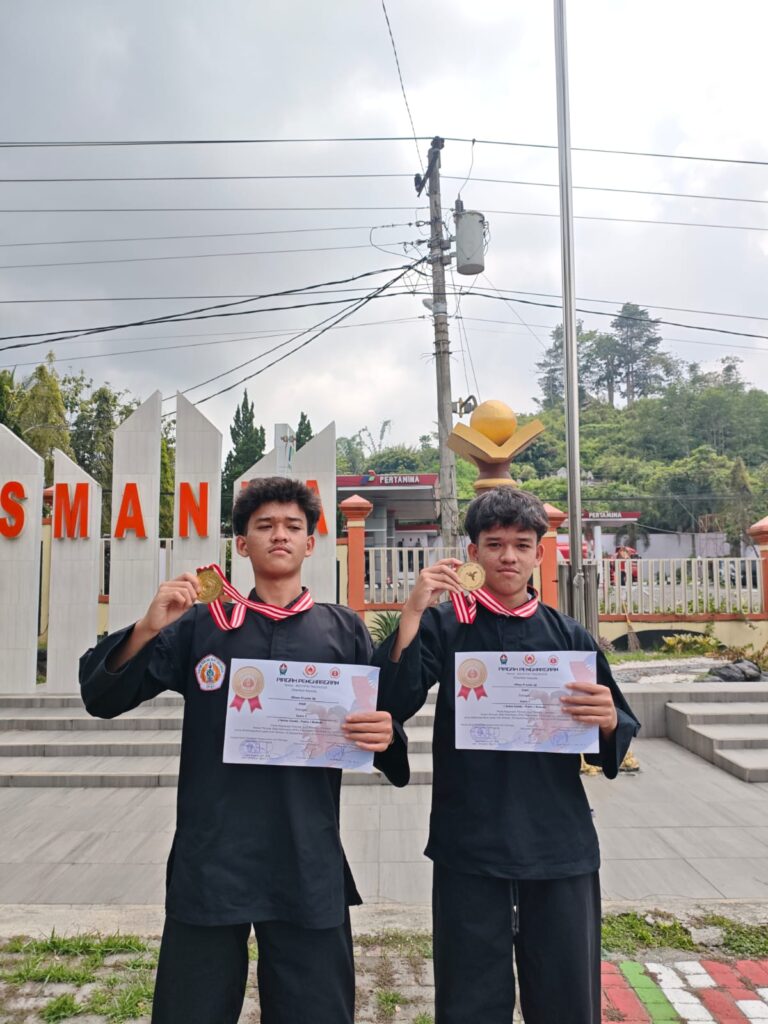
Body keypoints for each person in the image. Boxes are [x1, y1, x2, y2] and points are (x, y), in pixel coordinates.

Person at [80, 477, 409, 1024]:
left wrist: (386, 734)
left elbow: (382, 725)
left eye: (293, 526)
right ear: (241, 544)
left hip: (305, 850)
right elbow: (102, 697)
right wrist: (146, 627)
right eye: (264, 526)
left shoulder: (343, 629)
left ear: (310, 543)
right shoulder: (201, 625)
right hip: (214, 852)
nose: (279, 535)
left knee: (316, 1010)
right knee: (191, 1009)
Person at [374, 487, 639, 1024]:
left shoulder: (569, 637)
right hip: (470, 842)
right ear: (473, 553)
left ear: (539, 552)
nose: (508, 557)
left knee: (566, 1000)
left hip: (557, 844)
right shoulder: (446, 626)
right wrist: (412, 610)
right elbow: (390, 702)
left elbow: (616, 728)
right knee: (469, 1001)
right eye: (494, 544)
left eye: (521, 545)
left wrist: (609, 720)